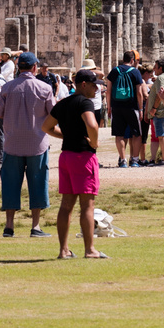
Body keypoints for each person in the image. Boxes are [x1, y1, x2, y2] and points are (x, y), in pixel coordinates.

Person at [42, 69, 106, 259]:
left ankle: (63, 250)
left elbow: (46, 127)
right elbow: (92, 125)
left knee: (66, 205)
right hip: (83, 156)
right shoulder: (85, 102)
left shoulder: (63, 103)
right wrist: (94, 142)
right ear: (84, 84)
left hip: (66, 156)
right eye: (94, 85)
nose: (97, 89)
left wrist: (66, 135)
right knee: (87, 204)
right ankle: (90, 249)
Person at [0, 52, 55, 238]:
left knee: (10, 183)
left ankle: (9, 225)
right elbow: (53, 113)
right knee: (38, 182)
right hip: (37, 143)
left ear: (18, 67)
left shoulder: (7, 88)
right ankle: (35, 226)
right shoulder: (44, 88)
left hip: (12, 142)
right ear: (35, 67)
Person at [105, 51, 146, 168]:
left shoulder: (114, 71)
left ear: (123, 59)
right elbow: (139, 92)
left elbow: (108, 90)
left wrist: (109, 107)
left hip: (116, 106)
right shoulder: (135, 72)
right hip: (132, 106)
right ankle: (134, 160)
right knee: (137, 134)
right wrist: (140, 109)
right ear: (132, 60)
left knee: (119, 134)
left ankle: (122, 160)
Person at [145, 60, 164, 166]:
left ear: (160, 68)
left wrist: (154, 108)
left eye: (155, 67)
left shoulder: (161, 78)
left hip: (160, 111)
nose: (154, 69)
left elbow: (159, 95)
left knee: (161, 135)